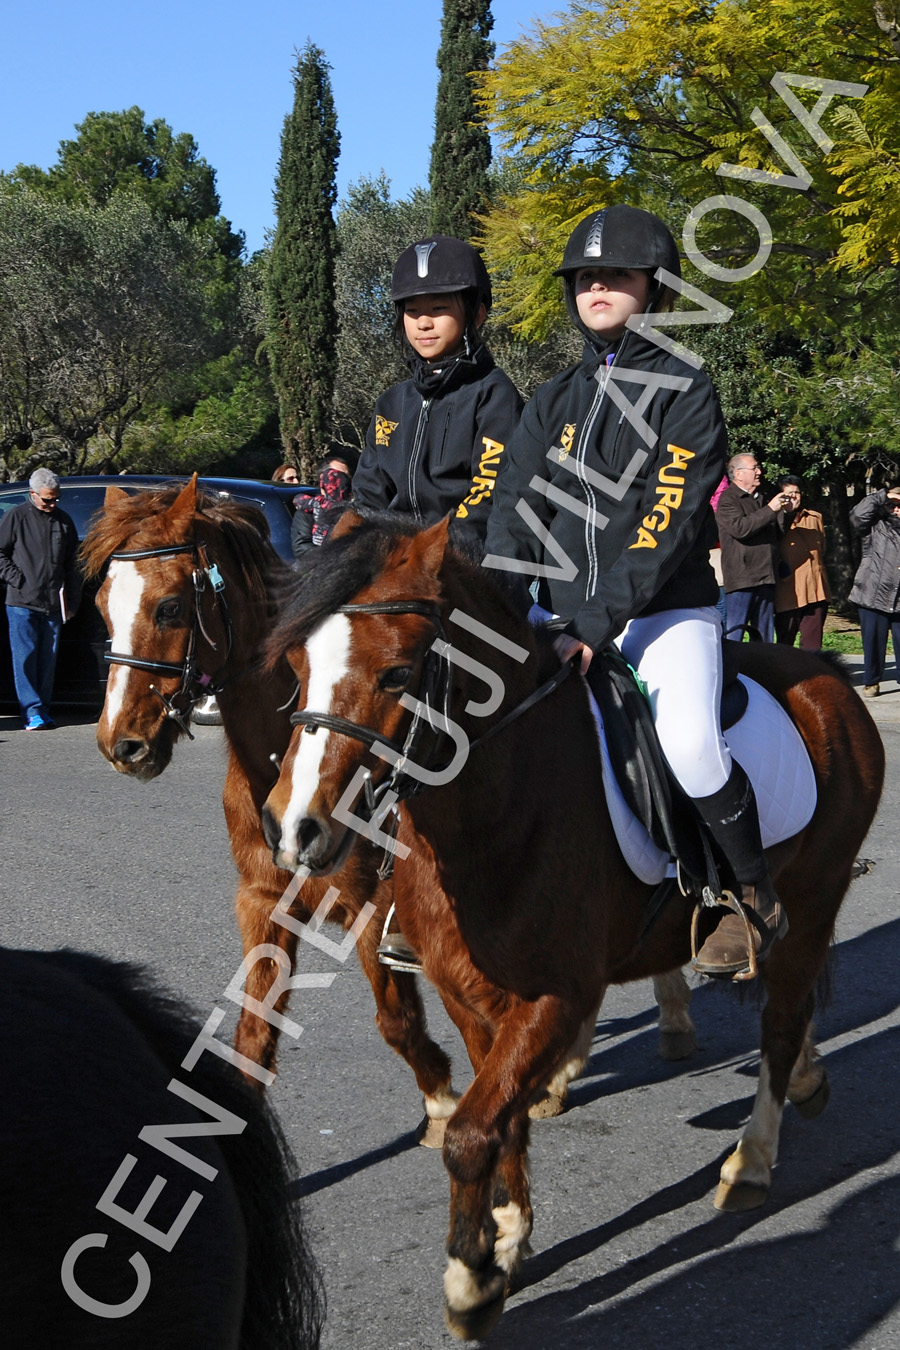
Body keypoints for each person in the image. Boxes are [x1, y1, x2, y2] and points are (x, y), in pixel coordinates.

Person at [484, 204, 787, 980]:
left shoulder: (685, 389)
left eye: (614, 275)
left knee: (686, 739)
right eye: (585, 278)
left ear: (654, 288)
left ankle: (746, 893)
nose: (596, 288)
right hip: (556, 614)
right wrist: (505, 604)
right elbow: (514, 513)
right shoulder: (552, 399)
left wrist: (590, 622)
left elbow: (667, 520)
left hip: (663, 612)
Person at [352, 234, 524, 544]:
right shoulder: (390, 405)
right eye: (413, 310)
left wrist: (433, 548)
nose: (423, 323)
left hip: (462, 562)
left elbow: (488, 490)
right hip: (393, 557)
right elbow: (369, 492)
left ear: (476, 314)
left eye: (439, 307)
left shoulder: (494, 394)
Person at [0, 468, 81, 730]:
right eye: (47, 499)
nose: (52, 504)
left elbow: (72, 564)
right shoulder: (16, 516)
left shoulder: (64, 521)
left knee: (48, 661)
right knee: (25, 659)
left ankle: (43, 708)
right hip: (22, 603)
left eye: (56, 498)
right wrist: (18, 579)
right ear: (32, 494)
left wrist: (71, 598)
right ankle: (31, 710)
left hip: (53, 604)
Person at [715, 454, 786, 642]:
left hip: (766, 577)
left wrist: (786, 512)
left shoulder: (761, 498)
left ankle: (761, 671)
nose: (759, 472)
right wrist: (770, 509)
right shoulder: (728, 499)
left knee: (764, 637)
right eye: (754, 468)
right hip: (743, 579)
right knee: (734, 634)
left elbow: (776, 534)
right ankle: (731, 671)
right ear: (738, 474)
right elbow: (740, 529)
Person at [848, 484, 900, 697]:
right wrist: (884, 495)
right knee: (872, 641)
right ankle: (872, 682)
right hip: (872, 592)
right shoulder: (875, 524)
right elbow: (856, 515)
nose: (896, 509)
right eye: (892, 505)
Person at [774, 476, 832, 649]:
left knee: (813, 647)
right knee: (785, 644)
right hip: (789, 591)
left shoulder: (815, 518)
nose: (794, 497)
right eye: (789, 493)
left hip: (817, 590)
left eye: (797, 492)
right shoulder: (773, 519)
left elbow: (823, 549)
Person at [292, 452, 354, 560]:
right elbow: (302, 548)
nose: (344, 481)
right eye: (337, 476)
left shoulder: (356, 509)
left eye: (347, 477)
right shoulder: (307, 511)